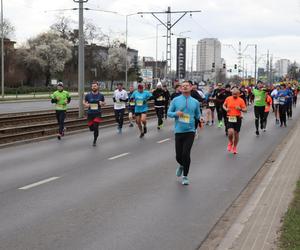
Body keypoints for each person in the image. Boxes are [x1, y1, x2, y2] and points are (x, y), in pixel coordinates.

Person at [168, 81, 203, 185]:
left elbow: (197, 114)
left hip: (190, 131)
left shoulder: (195, 102)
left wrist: (200, 118)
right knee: (178, 156)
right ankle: (182, 165)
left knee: (186, 154)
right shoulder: (175, 100)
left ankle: (185, 176)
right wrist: (176, 113)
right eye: (182, 86)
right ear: (180, 89)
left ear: (191, 87)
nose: (184, 87)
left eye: (186, 86)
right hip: (179, 131)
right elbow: (169, 113)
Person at [223, 88, 247, 154]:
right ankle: (230, 142)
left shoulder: (241, 100)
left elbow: (245, 110)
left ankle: (235, 147)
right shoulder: (228, 98)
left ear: (239, 94)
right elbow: (224, 105)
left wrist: (240, 109)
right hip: (229, 117)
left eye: (236, 94)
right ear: (232, 93)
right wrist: (226, 109)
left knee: (236, 134)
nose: (234, 95)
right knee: (230, 132)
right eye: (233, 94)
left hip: (237, 118)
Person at [83, 81, 105, 146]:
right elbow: (84, 102)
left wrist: (102, 103)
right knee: (91, 128)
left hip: (97, 113)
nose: (94, 87)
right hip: (90, 113)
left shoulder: (101, 95)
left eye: (95, 86)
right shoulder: (88, 95)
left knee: (95, 127)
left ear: (97, 87)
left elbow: (104, 103)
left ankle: (95, 140)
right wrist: (85, 104)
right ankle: (94, 130)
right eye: (92, 86)